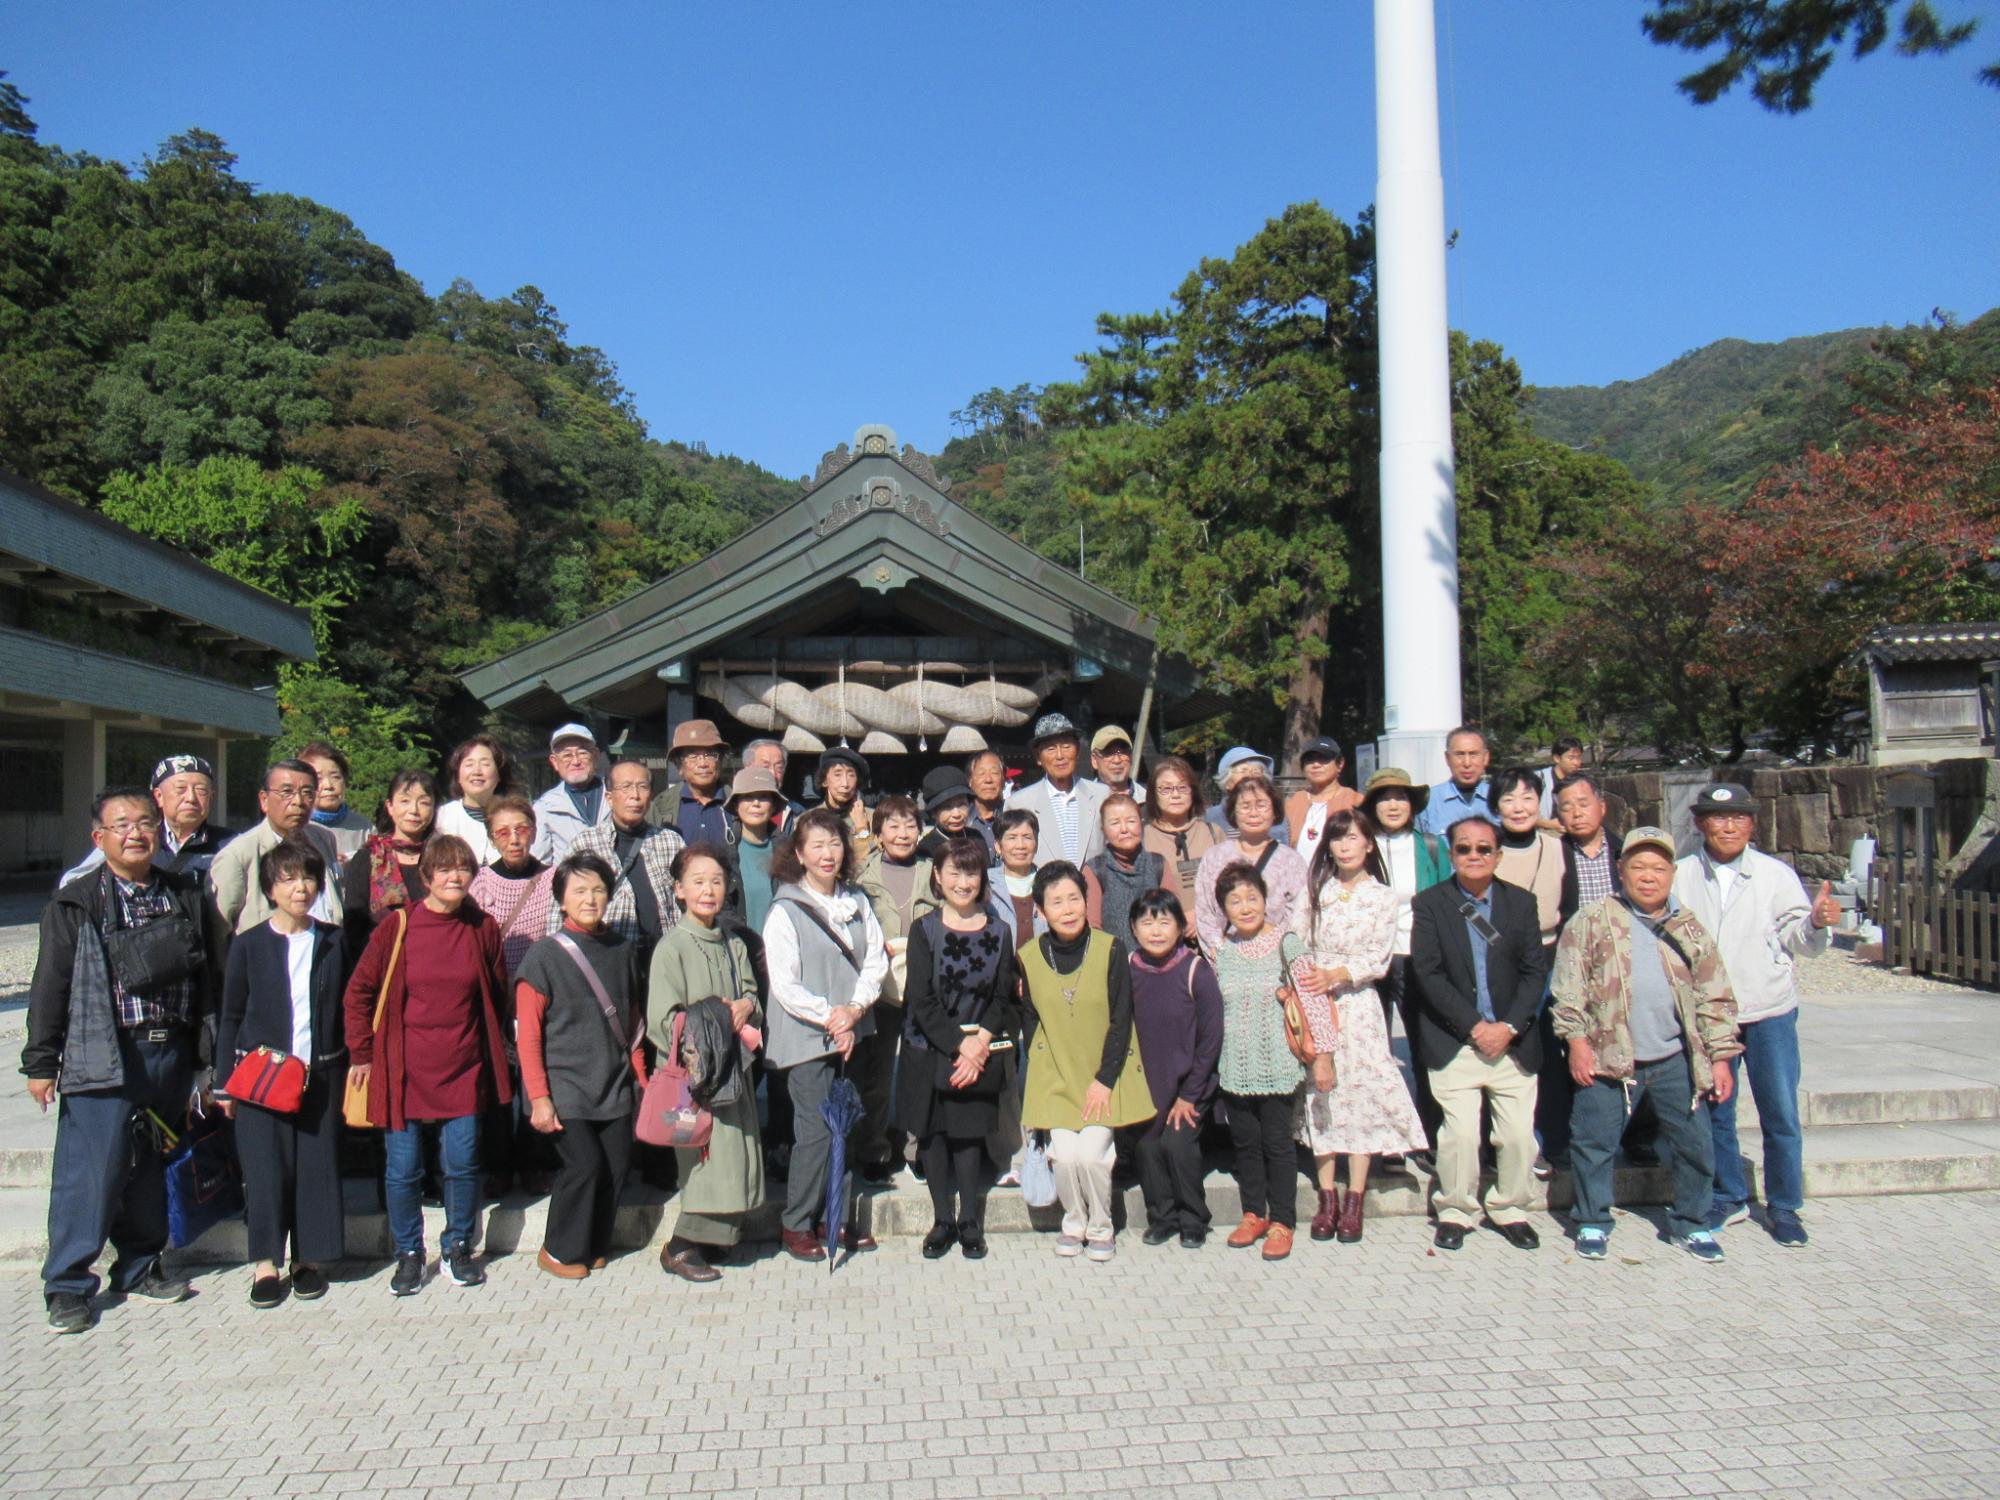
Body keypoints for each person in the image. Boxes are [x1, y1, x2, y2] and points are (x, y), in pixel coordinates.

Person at [26, 786, 224, 1334]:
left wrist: (207, 1058)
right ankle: (67, 1284)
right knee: (90, 1172)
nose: (136, 833)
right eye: (122, 825)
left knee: (150, 1166)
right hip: (104, 1054)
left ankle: (138, 1266)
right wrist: (41, 1062)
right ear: (99, 838)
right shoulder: (78, 900)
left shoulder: (182, 891)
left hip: (170, 1053)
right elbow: (51, 984)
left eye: (143, 823)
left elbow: (207, 977)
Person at [1552, 827, 1742, 1263]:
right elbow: (1568, 989)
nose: (1648, 876)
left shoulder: (1689, 928)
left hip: (1675, 1056)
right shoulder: (1592, 921)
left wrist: (1721, 1060)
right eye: (1638, 867)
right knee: (1594, 1144)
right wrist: (1577, 1042)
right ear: (1621, 870)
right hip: (1607, 1055)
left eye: (1658, 868)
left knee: (1695, 1146)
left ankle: (1692, 1223)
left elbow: (1715, 996)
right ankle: (1593, 1220)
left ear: (1672, 873)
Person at [344, 834, 512, 1295]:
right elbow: (358, 993)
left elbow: (497, 992)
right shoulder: (397, 927)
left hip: (464, 1064)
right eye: (444, 869)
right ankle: (409, 1252)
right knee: (403, 1169)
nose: (455, 876)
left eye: (463, 868)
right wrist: (361, 1052)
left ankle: (459, 1244)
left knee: (461, 1163)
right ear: (426, 877)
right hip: (403, 1069)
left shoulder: (483, 927)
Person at [1674, 782, 1836, 1249]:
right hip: (1709, 1013)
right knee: (1716, 1109)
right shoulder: (1683, 874)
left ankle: (1785, 1205)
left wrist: (1818, 922)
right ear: (1700, 823)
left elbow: (1799, 938)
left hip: (1768, 1009)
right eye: (1717, 817)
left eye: (1738, 817)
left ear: (1752, 824)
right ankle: (1729, 1194)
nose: (1728, 825)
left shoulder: (1775, 875)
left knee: (1780, 1109)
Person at [214, 838, 346, 1308]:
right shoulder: (249, 945)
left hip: (321, 1075)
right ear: (270, 888)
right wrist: (221, 1081)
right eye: (289, 879)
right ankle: (266, 1263)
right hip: (262, 1078)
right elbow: (230, 1015)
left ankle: (308, 1260)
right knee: (266, 1171)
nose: (301, 887)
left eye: (308, 877)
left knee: (315, 1168)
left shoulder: (332, 940)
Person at [1409, 815, 1550, 1251]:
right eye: (1465, 849)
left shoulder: (1521, 904)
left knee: (1516, 1136)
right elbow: (1428, 974)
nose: (1474, 856)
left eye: (1483, 849)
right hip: (1456, 1041)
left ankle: (1509, 1208)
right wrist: (1474, 1026)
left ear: (1498, 855)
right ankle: (1456, 1210)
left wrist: (1507, 1027)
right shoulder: (1430, 903)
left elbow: (1534, 972)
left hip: (1513, 1042)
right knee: (1461, 1136)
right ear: (1451, 855)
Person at [1289, 810, 1428, 1244]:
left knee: (1361, 1093)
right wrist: (1304, 981)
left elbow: (1379, 959)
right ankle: (1327, 1194)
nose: (1345, 846)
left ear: (1369, 844)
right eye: (1337, 838)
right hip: (1316, 1001)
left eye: (1353, 837)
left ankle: (1355, 1197)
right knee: (1321, 1092)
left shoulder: (1383, 897)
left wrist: (1339, 973)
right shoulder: (1316, 891)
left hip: (1359, 1003)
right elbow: (1295, 940)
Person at [761, 808, 889, 1263]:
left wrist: (854, 1010)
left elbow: (876, 959)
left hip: (854, 1029)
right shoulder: (785, 909)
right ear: (798, 853)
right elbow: (785, 983)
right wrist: (833, 1017)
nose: (828, 853)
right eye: (816, 845)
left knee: (847, 1125)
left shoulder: (856, 901)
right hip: (807, 1037)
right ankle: (797, 1222)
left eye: (834, 843)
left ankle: (833, 1217)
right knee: (815, 1130)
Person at [515, 851, 644, 1280]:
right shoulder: (543, 957)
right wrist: (539, 1098)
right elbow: (528, 1036)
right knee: (584, 1164)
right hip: (564, 1083)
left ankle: (592, 1244)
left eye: (598, 890)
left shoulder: (622, 950)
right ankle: (558, 1250)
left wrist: (641, 1081)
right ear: (562, 900)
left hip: (615, 1080)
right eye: (580, 891)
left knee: (617, 1164)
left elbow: (634, 1024)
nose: (590, 899)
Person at [1017, 860, 1154, 1261]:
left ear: (1086, 899)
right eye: (1055, 901)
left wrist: (1105, 1079)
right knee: (1065, 1156)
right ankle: (1073, 1222)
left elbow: (1121, 1019)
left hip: (1102, 1077)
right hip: (1057, 1076)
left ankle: (1101, 1226)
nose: (1067, 908)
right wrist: (1043, 1071)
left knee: (1092, 1155)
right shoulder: (1028, 956)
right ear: (1040, 909)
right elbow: (1031, 1021)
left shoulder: (1111, 948)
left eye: (1074, 898)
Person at [898, 836, 1019, 1260]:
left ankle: (969, 1220)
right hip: (930, 1047)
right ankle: (941, 1220)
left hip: (980, 1049)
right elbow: (921, 998)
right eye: (954, 872)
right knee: (932, 1136)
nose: (963, 882)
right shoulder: (924, 929)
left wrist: (980, 1043)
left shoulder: (999, 931)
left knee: (968, 1137)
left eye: (971, 873)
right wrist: (959, 1046)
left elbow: (1004, 997)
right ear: (937, 876)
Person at [648, 844, 765, 1281]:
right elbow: (663, 1022)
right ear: (678, 890)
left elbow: (752, 994)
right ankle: (681, 1246)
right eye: (697, 881)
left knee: (735, 1158)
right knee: (704, 1162)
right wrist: (717, 1016)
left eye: (716, 881)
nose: (708, 890)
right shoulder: (671, 947)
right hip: (694, 1082)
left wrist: (746, 1008)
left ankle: (719, 1238)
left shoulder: (733, 942)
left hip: (733, 1071)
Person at [1205, 862, 1305, 1260]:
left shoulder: (1287, 943)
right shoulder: (1223, 953)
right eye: (1234, 901)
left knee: (1278, 1144)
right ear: (1224, 909)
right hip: (1235, 1065)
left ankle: (1282, 1219)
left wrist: (1324, 1059)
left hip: (1278, 1063)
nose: (1245, 907)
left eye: (1252, 898)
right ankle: (1253, 1213)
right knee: (1245, 1144)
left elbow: (1310, 1003)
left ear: (1266, 900)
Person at [466, 793, 558, 1195]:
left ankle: (537, 1160)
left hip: (540, 994)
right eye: (503, 832)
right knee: (500, 1083)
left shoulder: (554, 878)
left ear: (534, 832)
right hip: (496, 997)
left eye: (521, 829)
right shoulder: (482, 883)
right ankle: (499, 1165)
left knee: (538, 1080)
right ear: (492, 837)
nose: (514, 838)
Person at [1125, 888, 1222, 1249]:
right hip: (1147, 1084)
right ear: (1134, 929)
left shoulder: (1196, 970)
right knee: (1148, 1146)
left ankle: (1194, 1218)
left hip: (1190, 1085)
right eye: (1147, 922)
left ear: (1181, 927)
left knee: (1178, 1143)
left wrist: (1190, 1094)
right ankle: (1162, 1217)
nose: (1156, 930)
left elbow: (1211, 1037)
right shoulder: (1128, 968)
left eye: (1165, 922)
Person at [1362, 768, 1451, 1157]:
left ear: (1412, 804)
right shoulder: (1361, 847)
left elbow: (1450, 901)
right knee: (1374, 1052)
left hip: (1419, 957)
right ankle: (1386, 1143)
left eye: (1400, 796)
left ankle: (1431, 1137)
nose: (1393, 804)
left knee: (1424, 1048)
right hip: (1372, 959)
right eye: (1384, 797)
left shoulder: (1432, 846)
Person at [854, 795, 930, 1180]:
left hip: (923, 987)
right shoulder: (861, 878)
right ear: (879, 832)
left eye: (910, 825)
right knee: (878, 1073)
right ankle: (874, 1148)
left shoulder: (933, 872)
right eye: (894, 826)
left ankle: (917, 1149)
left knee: (920, 1070)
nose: (903, 834)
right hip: (878, 988)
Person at [554, 760, 684, 967]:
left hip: (664, 961)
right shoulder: (587, 844)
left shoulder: (671, 841)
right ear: (609, 797)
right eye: (626, 787)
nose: (635, 795)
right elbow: (559, 908)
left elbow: (684, 904)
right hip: (607, 961)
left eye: (642, 786)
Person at [210, 759, 345, 936]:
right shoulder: (238, 855)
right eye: (287, 792)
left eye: (307, 793)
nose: (298, 801)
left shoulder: (323, 839)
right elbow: (219, 931)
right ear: (264, 800)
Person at [58, 753, 238, 886]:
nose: (191, 798)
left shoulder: (233, 844)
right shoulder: (134, 839)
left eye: (201, 790)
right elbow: (72, 881)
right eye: (180, 789)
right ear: (158, 796)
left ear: (211, 798)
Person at [1192, 772, 1308, 955]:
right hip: (1226, 959)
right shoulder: (1214, 857)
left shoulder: (1292, 861)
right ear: (1233, 812)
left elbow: (1300, 915)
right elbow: (1205, 913)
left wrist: (1275, 954)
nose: (1253, 813)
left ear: (1274, 812)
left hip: (1276, 959)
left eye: (1261, 805)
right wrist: (1222, 955)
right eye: (1245, 806)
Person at [341, 767, 438, 959]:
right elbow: (354, 926)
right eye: (405, 801)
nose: (414, 810)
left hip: (432, 961)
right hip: (381, 963)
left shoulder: (441, 856)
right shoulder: (368, 858)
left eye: (424, 802)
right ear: (390, 806)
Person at [1007, 714, 1109, 867]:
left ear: (1078, 750)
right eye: (1050, 749)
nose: (1060, 756)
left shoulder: (1102, 795)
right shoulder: (1019, 803)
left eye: (1066, 746)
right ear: (1038, 757)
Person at [1490, 767, 1564, 951]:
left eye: (1527, 798)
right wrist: (1494, 943)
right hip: (1499, 955)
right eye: (1508, 799)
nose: (1519, 808)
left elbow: (1569, 905)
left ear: (1539, 802)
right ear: (1495, 808)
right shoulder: (1484, 852)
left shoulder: (1557, 847)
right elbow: (1468, 908)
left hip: (1549, 951)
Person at [1083, 793, 1165, 950]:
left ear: (1141, 824)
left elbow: (1172, 917)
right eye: (1114, 823)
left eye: (1131, 821)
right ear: (1103, 829)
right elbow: (1093, 927)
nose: (1124, 829)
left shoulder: (1157, 864)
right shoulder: (1095, 869)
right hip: (1114, 962)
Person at [1142, 754, 1219, 911]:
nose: (1175, 795)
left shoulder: (1213, 832)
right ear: (1153, 794)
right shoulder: (1143, 838)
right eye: (1166, 789)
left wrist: (1199, 917)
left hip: (1213, 927)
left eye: (1182, 787)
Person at [530, 722, 612, 863]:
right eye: (567, 755)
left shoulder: (616, 794)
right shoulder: (545, 807)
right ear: (554, 762)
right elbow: (540, 863)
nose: (575, 761)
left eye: (582, 753)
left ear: (596, 756)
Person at [1555, 773, 1624, 926]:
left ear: (1602, 807)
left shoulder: (1625, 852)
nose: (1577, 814)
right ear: (1559, 817)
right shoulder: (1553, 856)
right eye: (1567, 808)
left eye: (1584, 804)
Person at [651, 718, 733, 847]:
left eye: (710, 754)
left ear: (721, 760)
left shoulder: (737, 802)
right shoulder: (661, 806)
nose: (702, 764)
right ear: (679, 766)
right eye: (692, 756)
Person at [723, 766, 783, 937]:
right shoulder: (725, 855)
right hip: (741, 951)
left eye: (763, 797)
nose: (756, 804)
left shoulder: (789, 852)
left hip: (782, 950)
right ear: (736, 805)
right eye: (748, 797)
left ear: (773, 805)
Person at [435, 735, 514, 866]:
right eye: (469, 764)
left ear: (499, 774)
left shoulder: (516, 815)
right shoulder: (442, 817)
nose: (477, 771)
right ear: (458, 776)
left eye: (485, 764)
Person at [1285, 735, 1361, 861]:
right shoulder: (1293, 803)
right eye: (1309, 760)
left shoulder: (1356, 802)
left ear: (1340, 763)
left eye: (1323, 759)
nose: (1316, 765)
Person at [1417, 726, 1493, 839]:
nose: (1467, 763)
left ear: (1486, 758)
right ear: (1447, 758)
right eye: (1460, 754)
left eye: (1473, 754)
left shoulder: (1499, 799)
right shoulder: (1428, 802)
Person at [298, 742, 371, 860]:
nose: (328, 785)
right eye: (318, 778)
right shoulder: (296, 826)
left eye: (336, 777)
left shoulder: (365, 829)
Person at [1206, 746, 1289, 842]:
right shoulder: (1211, 817)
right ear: (1227, 782)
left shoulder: (1274, 815)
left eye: (1256, 771)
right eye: (1243, 770)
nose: (1250, 775)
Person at [993, 808, 1044, 947]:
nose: (1020, 845)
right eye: (1012, 837)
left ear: (1036, 844)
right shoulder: (985, 884)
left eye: (1027, 837)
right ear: (998, 846)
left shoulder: (1050, 882)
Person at [814, 746, 875, 860]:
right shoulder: (809, 819)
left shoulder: (873, 818)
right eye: (837, 774)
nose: (845, 784)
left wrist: (862, 829)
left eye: (851, 775)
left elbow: (873, 860)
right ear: (824, 781)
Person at [918, 765, 990, 860]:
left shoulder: (976, 838)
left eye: (962, 805)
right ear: (934, 812)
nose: (957, 814)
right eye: (947, 807)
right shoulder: (926, 849)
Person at [743, 737, 805, 827]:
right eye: (765, 767)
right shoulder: (730, 814)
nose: (772, 774)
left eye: (779, 768)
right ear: (747, 768)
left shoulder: (798, 814)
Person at [1089, 725, 1146, 804]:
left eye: (1123, 752)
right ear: (1094, 760)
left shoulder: (1150, 800)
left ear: (1131, 757)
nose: (1117, 760)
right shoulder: (1081, 800)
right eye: (1108, 753)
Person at [1538, 736, 1586, 826]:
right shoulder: (1539, 779)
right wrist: (1548, 824)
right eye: (1571, 758)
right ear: (1557, 758)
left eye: (1579, 758)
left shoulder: (1580, 781)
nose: (1576, 763)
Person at [966, 748, 1008, 843]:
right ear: (970, 781)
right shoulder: (961, 819)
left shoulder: (1013, 815)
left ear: (1003, 780)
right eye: (981, 773)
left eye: (995, 773)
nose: (988, 780)